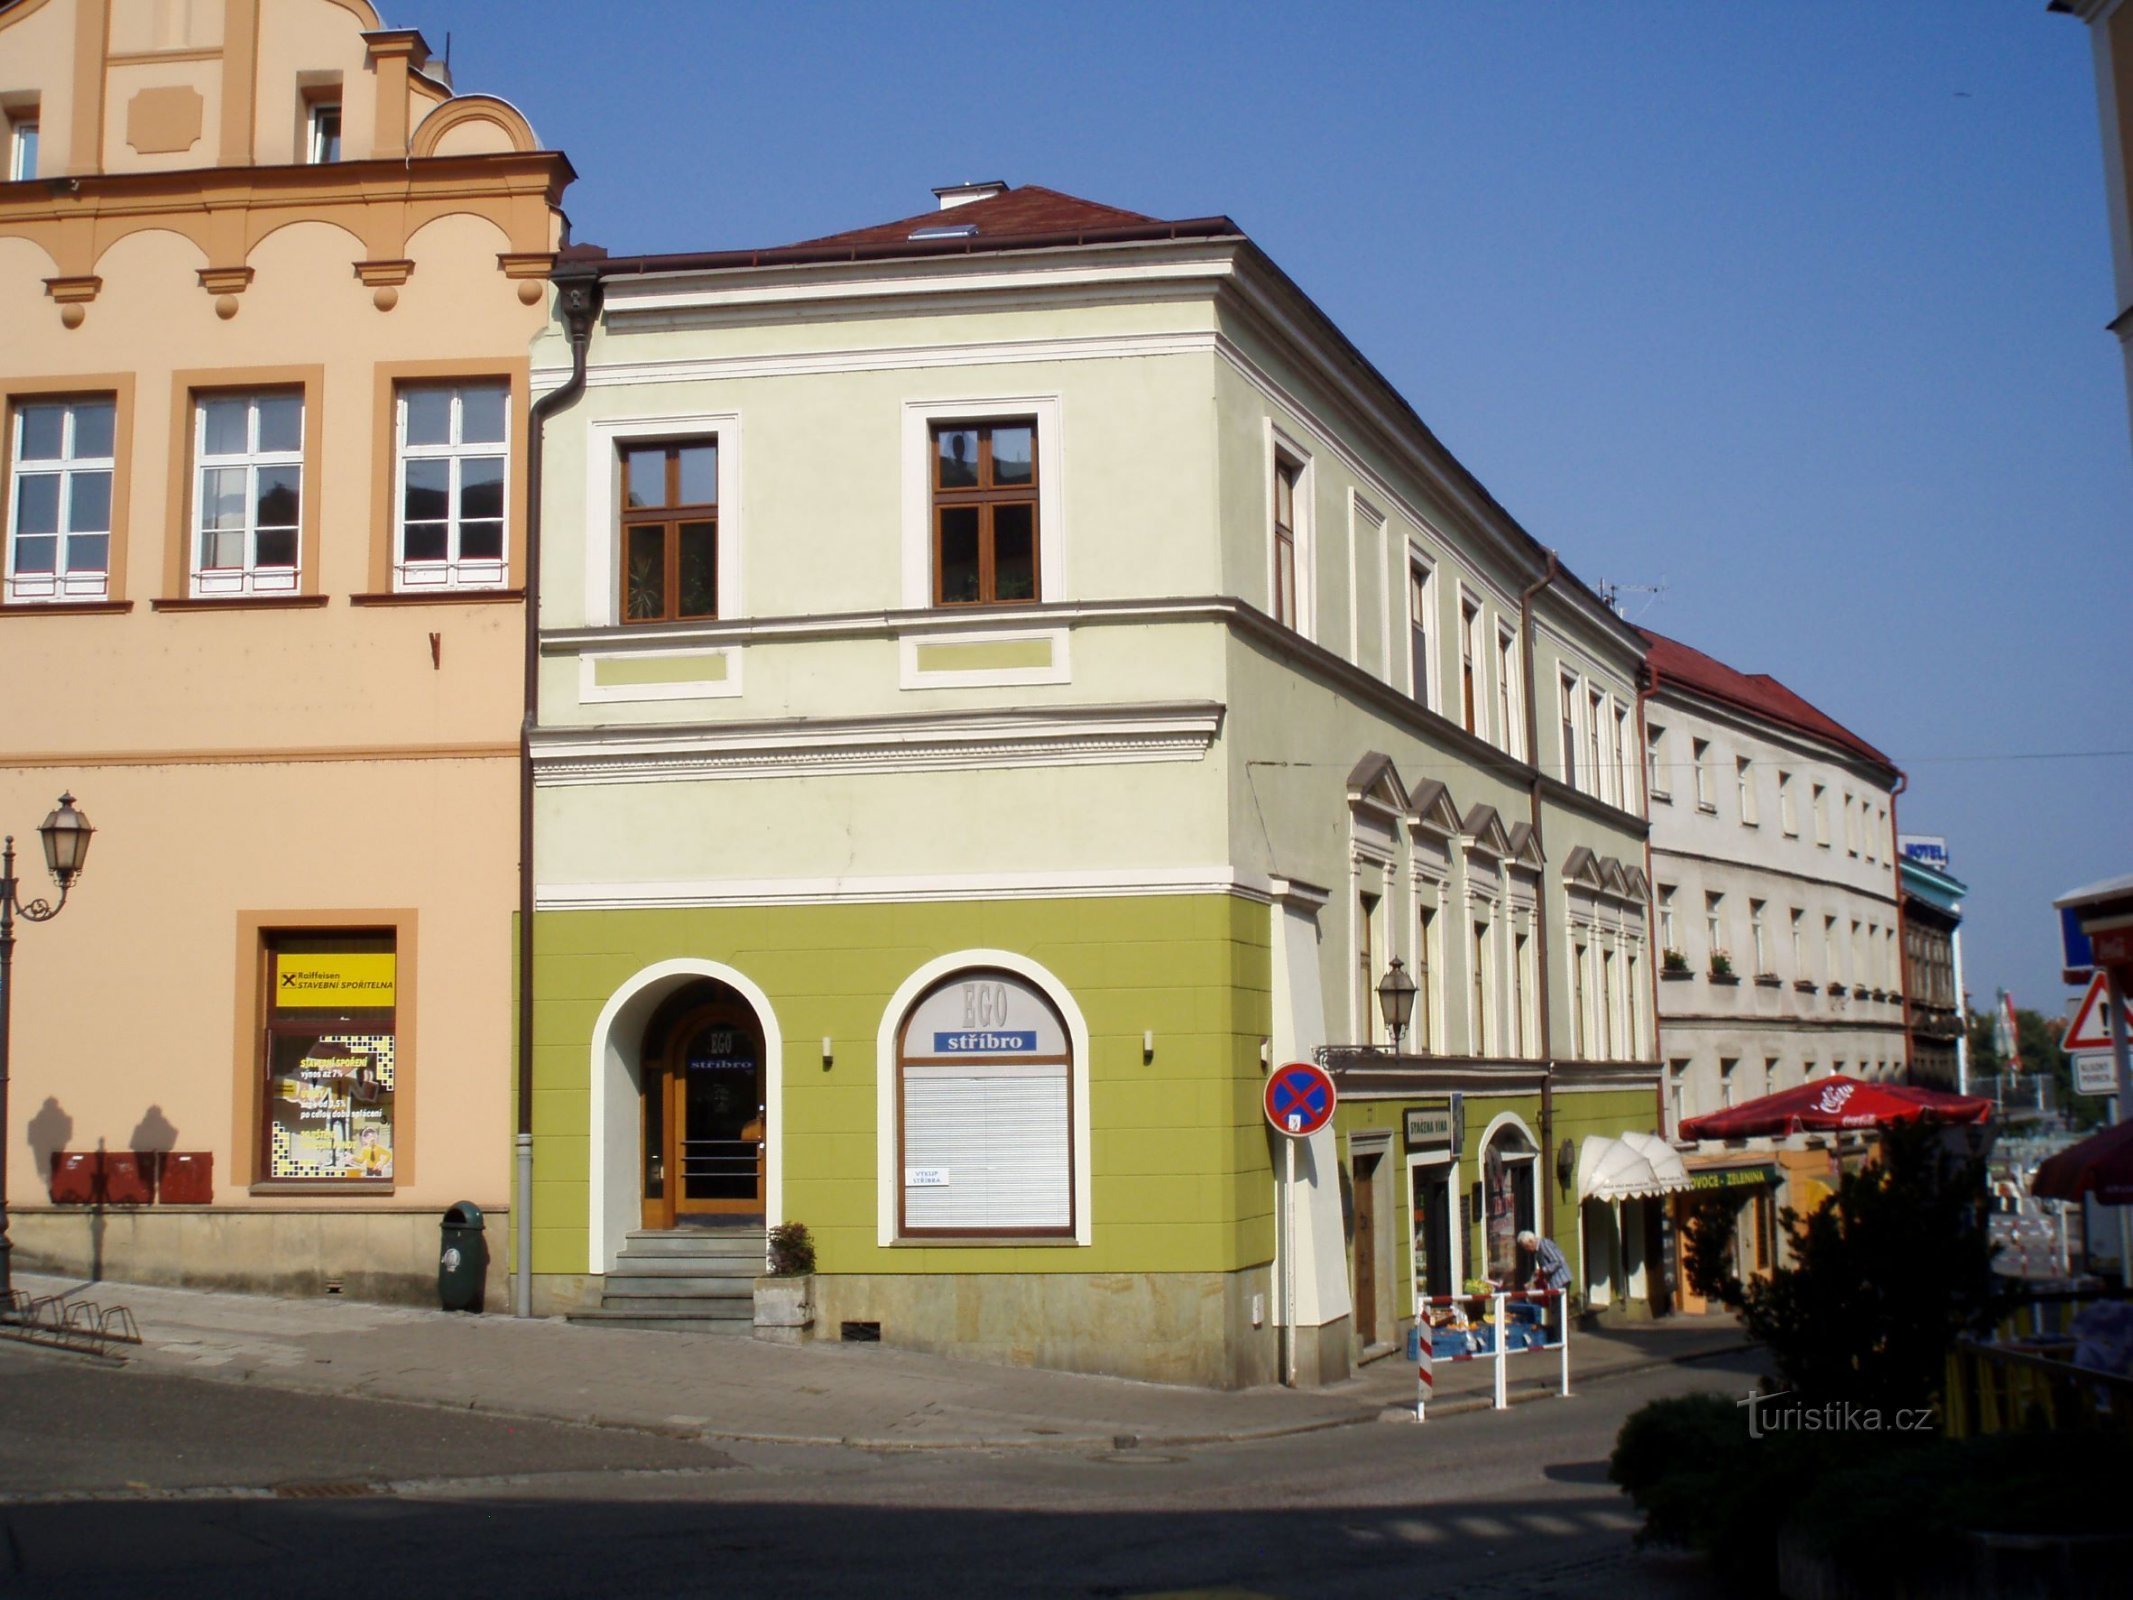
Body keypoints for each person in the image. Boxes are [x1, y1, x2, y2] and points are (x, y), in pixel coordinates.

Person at [1519, 1228, 1571, 1342]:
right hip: (1554, 1282)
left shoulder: (1544, 1245)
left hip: (1561, 1280)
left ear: (1531, 1241)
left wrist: (1543, 1270)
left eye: (1526, 1246)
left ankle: (1561, 1340)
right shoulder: (1538, 1252)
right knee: (1556, 1311)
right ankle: (1560, 1338)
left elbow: (1559, 1260)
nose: (1527, 1250)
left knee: (1559, 1312)